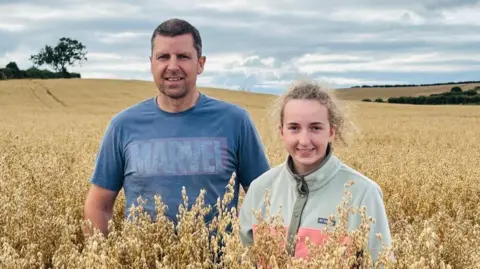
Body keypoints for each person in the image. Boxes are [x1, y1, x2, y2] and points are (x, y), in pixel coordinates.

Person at [84, 18, 270, 236]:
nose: (172, 66)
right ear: (151, 63)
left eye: (183, 56)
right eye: (163, 57)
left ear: (200, 63)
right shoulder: (122, 126)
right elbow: (99, 205)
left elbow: (264, 199)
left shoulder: (236, 121)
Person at [238, 80, 392, 264]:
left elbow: (381, 263)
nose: (304, 140)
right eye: (294, 128)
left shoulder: (364, 194)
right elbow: (242, 259)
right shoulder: (259, 189)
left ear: (331, 132)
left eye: (315, 128)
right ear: (282, 132)